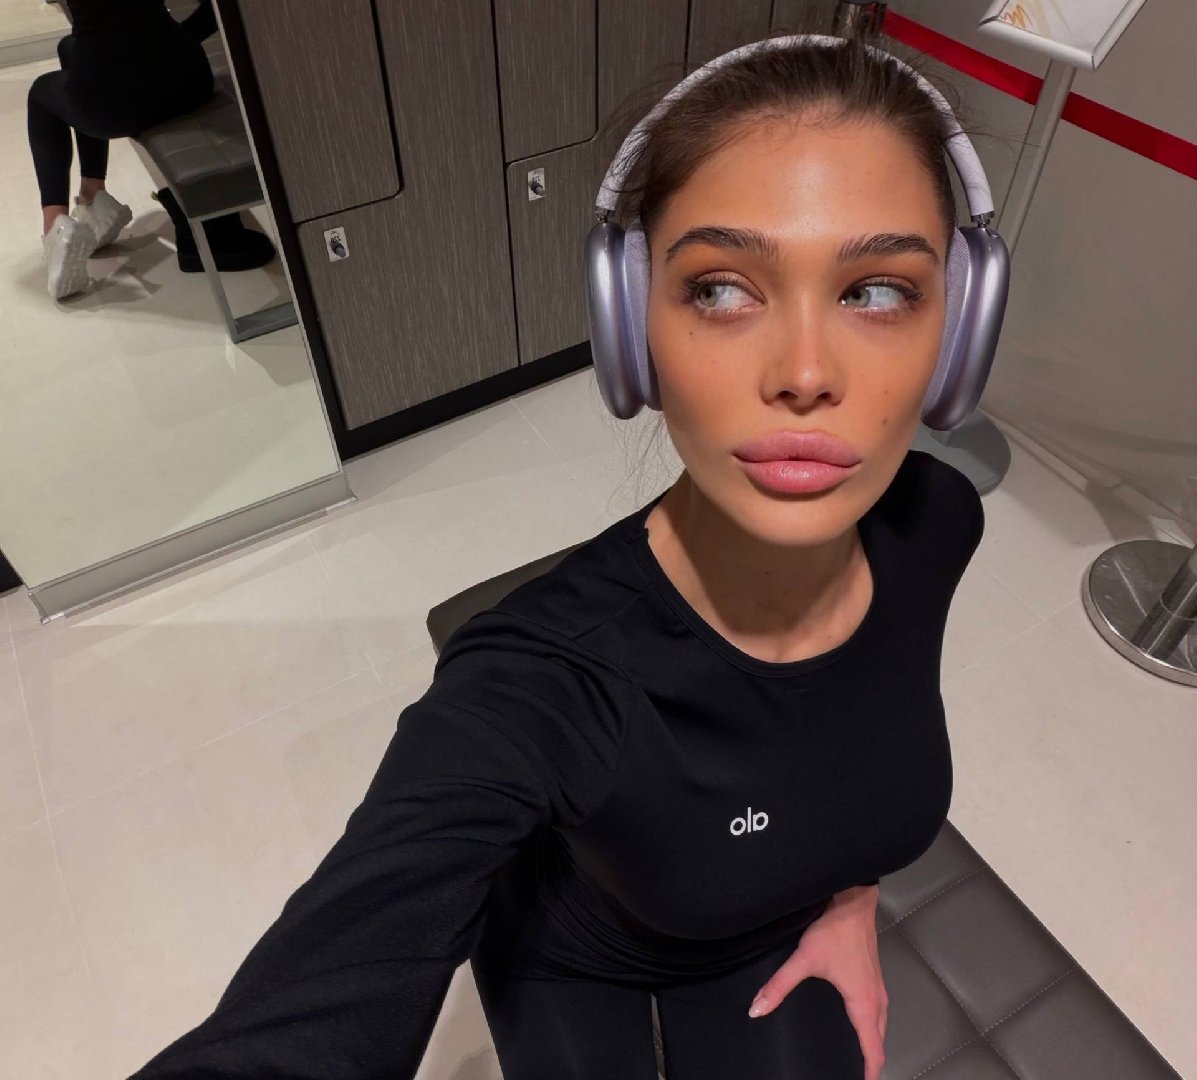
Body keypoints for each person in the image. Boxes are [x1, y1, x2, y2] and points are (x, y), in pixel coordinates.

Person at [125, 24, 993, 1080]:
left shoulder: (937, 523)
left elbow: (845, 746)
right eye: (721, 288)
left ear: (959, 330)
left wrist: (851, 899)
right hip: (577, 958)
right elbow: (317, 997)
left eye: (878, 291)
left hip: (765, 928)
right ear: (629, 328)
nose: (805, 373)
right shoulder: (538, 678)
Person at [28, 0, 271, 301]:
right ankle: (92, 197)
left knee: (41, 94)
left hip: (116, 105)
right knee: (70, 48)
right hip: (189, 81)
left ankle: (55, 228)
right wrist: (181, 40)